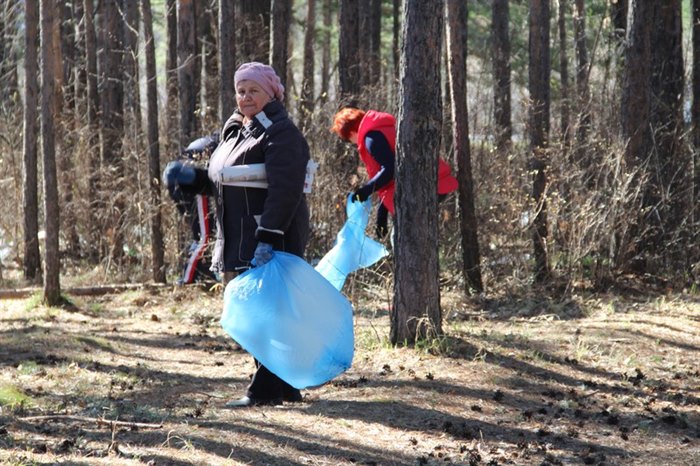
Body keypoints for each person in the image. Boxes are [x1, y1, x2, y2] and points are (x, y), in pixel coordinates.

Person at [163, 62, 310, 408]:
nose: (246, 97)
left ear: (270, 93)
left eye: (253, 90)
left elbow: (286, 189)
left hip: (268, 235)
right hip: (239, 234)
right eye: (241, 91)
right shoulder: (238, 130)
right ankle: (286, 386)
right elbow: (227, 179)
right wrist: (194, 180)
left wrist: (268, 235)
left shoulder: (280, 132)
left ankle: (266, 390)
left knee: (266, 312)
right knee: (256, 310)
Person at [330, 108, 458, 238]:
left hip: (425, 186)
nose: (351, 142)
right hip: (434, 182)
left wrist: (364, 191)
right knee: (404, 234)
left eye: (347, 139)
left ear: (351, 133)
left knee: (402, 237)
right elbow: (395, 176)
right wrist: (382, 215)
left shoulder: (371, 138)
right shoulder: (384, 129)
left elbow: (390, 170)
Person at [163, 134, 219, 285]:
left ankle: (202, 273)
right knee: (205, 235)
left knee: (200, 233)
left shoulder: (206, 141)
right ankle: (187, 280)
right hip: (191, 182)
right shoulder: (222, 142)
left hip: (173, 177)